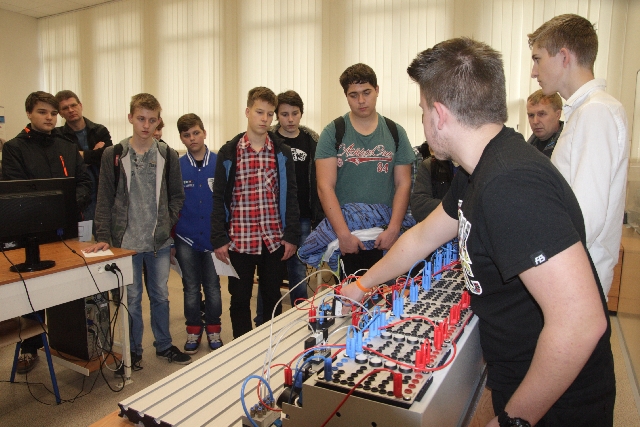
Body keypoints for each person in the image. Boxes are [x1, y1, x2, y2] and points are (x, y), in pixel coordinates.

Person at [341, 38, 615, 427]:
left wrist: (513, 421)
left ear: (439, 115)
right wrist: (362, 285)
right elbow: (422, 237)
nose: (423, 120)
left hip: (558, 401)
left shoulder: (511, 183)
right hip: (516, 373)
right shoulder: (477, 170)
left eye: (422, 110)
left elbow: (581, 322)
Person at [84, 93, 191, 366]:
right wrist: (104, 237)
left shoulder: (167, 154)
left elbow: (177, 196)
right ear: (130, 117)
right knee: (130, 299)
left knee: (160, 296)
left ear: (158, 121)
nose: (146, 125)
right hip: (125, 242)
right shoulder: (114, 154)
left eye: (152, 120)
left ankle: (164, 345)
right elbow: (104, 199)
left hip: (158, 241)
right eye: (141, 118)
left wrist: (166, 222)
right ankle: (133, 351)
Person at [529, 14, 629, 298]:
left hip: (577, 277)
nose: (534, 72)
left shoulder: (595, 112)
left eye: (538, 59)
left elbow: (585, 217)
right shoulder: (588, 111)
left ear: (563, 57)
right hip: (572, 271)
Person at [2, 91, 92, 374]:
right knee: (33, 292)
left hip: (67, 230)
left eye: (53, 113)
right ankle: (30, 347)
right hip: (32, 234)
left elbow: (85, 181)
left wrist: (68, 205)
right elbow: (17, 189)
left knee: (70, 287)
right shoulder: (15, 148)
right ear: (29, 113)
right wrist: (51, 210)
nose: (50, 118)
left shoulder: (67, 145)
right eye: (43, 112)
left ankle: (74, 344)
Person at [211, 87, 300, 339]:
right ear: (247, 111)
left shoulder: (281, 153)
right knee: (239, 298)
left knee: (272, 296)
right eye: (260, 112)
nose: (265, 119)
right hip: (239, 240)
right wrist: (219, 237)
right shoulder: (229, 152)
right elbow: (218, 197)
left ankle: (269, 343)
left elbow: (291, 195)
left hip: (273, 239)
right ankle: (242, 345)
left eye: (270, 114)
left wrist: (291, 235)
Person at [315, 63, 414, 278]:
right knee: (352, 295)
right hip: (349, 236)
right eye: (354, 95)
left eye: (366, 92)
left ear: (377, 90)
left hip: (386, 232)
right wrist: (343, 235)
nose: (361, 100)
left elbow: (403, 183)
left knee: (389, 294)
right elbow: (325, 186)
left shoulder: (395, 132)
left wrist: (394, 229)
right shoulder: (333, 132)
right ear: (346, 96)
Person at [254, 90, 322, 325]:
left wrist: (317, 216)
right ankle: (263, 321)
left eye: (295, 113)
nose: (290, 119)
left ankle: (300, 319)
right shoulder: (269, 140)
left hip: (302, 216)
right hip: (272, 217)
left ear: (301, 113)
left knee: (297, 271)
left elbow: (318, 180)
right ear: (276, 116)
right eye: (284, 114)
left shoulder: (312, 141)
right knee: (268, 274)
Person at [172, 113, 223, 354]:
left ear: (204, 133)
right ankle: (193, 329)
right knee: (191, 287)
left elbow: (227, 202)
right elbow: (172, 204)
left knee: (213, 287)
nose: (192, 138)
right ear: (181, 138)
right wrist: (171, 240)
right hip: (186, 238)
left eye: (196, 132)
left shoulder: (219, 163)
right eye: (186, 135)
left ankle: (213, 328)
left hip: (213, 238)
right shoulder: (177, 167)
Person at [55, 90, 112, 223]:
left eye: (73, 105)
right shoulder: (58, 136)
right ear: (60, 113)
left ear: (80, 105)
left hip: (103, 192)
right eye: (65, 108)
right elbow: (66, 163)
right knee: (84, 235)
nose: (71, 110)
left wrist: (81, 155)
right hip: (79, 196)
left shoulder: (99, 130)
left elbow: (107, 157)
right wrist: (94, 153)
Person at [410, 141, 456, 222]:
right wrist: (456, 206)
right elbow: (419, 206)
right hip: (438, 226)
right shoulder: (430, 165)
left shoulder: (473, 167)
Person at [525, 89, 563, 157]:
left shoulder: (569, 145)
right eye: (531, 115)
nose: (535, 121)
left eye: (541, 114)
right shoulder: (527, 148)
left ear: (558, 114)